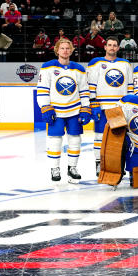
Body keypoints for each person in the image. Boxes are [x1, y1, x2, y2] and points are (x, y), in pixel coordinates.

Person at [36, 38, 92, 183]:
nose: (65, 51)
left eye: (68, 48)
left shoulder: (79, 68)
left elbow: (84, 91)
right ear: (57, 50)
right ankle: (55, 168)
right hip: (56, 111)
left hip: (74, 110)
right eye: (62, 48)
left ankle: (72, 168)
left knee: (75, 140)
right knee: (55, 140)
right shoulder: (47, 67)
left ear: (72, 50)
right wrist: (45, 107)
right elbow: (42, 89)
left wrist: (86, 108)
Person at [87, 37, 132, 173]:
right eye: (109, 45)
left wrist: (129, 105)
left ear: (118, 48)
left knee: (119, 137)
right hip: (102, 107)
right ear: (105, 47)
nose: (112, 48)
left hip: (120, 108)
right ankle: (98, 162)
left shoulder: (125, 64)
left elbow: (130, 86)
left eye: (115, 45)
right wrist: (93, 102)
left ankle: (116, 163)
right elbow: (90, 85)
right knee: (99, 136)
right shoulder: (96, 63)